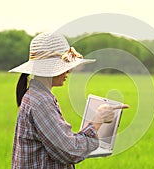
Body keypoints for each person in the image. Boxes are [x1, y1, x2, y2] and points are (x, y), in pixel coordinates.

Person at [8, 32, 128, 168]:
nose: (69, 72)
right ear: (51, 68)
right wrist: (97, 121)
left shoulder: (38, 96)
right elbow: (68, 150)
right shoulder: (41, 101)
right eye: (65, 67)